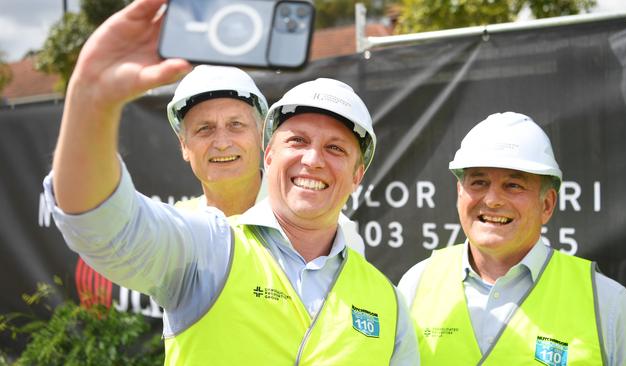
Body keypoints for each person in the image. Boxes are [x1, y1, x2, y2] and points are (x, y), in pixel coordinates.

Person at [42, 0, 418, 364]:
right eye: (297, 141)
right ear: (269, 154)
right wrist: (91, 99)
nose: (313, 159)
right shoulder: (209, 247)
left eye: (335, 147)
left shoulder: (388, 302)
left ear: (358, 175)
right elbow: (107, 227)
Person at [398, 112, 626, 365]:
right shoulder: (415, 285)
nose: (492, 199)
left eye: (513, 185)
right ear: (459, 193)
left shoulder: (612, 308)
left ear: (547, 204)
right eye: (479, 182)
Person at [168, 64, 365, 255]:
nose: (222, 143)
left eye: (236, 124)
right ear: (184, 145)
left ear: (261, 133)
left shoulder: (333, 235)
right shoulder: (175, 226)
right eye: (205, 128)